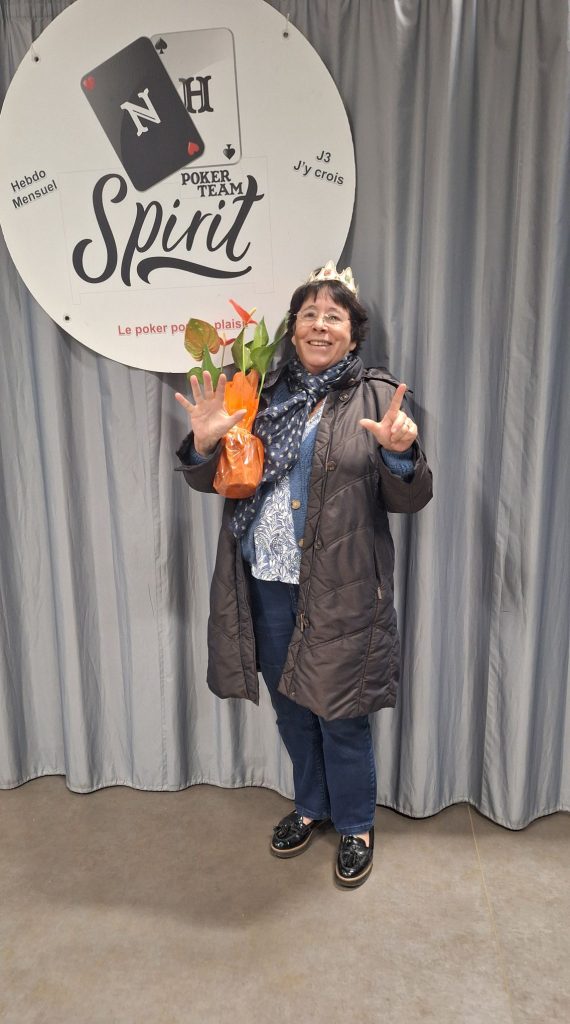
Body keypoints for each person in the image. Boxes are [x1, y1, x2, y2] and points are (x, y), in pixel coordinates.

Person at [175, 262, 432, 888]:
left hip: (340, 587)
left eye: (333, 316)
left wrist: (401, 454)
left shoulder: (379, 396)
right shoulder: (259, 392)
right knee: (291, 708)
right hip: (263, 578)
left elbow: (410, 497)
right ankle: (312, 805)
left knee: (339, 712)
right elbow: (221, 479)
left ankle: (355, 824)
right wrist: (203, 446)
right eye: (309, 314)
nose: (320, 325)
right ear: (293, 329)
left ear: (353, 332)